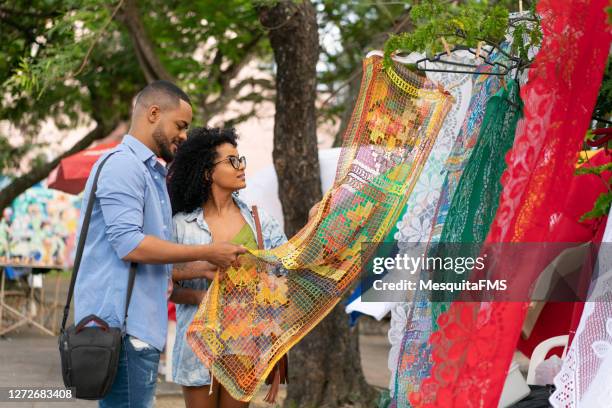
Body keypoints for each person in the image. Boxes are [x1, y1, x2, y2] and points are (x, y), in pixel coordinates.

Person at [73, 81, 246, 408]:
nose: (183, 135)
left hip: (139, 328)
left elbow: (150, 257)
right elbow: (131, 246)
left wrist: (197, 269)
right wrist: (207, 251)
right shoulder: (124, 166)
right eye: (180, 126)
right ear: (153, 113)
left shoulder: (151, 171)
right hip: (122, 329)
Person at [168, 127, 287, 408]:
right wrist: (201, 297)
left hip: (244, 344)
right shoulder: (180, 225)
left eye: (241, 159)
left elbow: (285, 274)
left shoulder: (260, 222)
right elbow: (163, 283)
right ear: (208, 172)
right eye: (232, 161)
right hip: (197, 344)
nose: (241, 166)